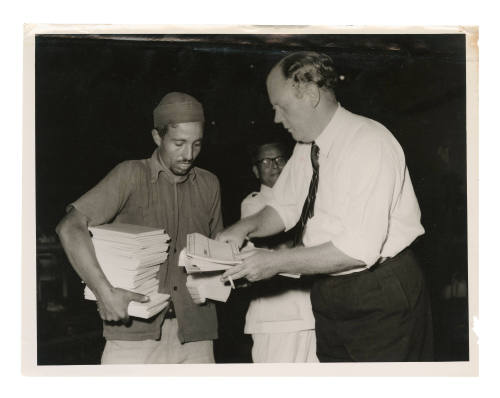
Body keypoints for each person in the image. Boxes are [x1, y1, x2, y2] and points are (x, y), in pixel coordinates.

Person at [218, 52, 434, 362]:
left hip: (379, 290)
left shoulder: (368, 143)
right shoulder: (308, 146)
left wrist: (274, 262)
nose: (277, 118)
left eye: (281, 107)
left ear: (310, 94)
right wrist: (241, 228)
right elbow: (285, 206)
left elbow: (358, 250)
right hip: (329, 290)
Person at [56, 92, 223, 364]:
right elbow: (70, 228)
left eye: (197, 144)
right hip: (133, 339)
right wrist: (104, 293)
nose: (189, 154)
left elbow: (217, 254)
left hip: (197, 337)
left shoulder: (209, 184)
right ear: (157, 138)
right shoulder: (130, 174)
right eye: (179, 143)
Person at [241, 142, 317, 363]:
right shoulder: (255, 205)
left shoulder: (303, 198)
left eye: (280, 160)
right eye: (266, 161)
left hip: (309, 314)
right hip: (275, 319)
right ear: (256, 170)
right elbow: (277, 246)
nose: (274, 166)